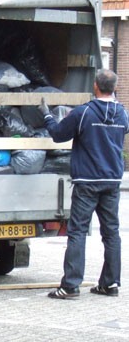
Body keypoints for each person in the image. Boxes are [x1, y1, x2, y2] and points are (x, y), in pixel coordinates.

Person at [39, 69, 129, 299]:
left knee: (77, 231)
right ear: (114, 88)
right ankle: (110, 284)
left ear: (96, 86)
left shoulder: (84, 113)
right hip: (111, 181)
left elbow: (59, 135)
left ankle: (70, 286)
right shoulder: (122, 114)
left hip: (87, 181)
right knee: (111, 233)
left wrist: (47, 116)